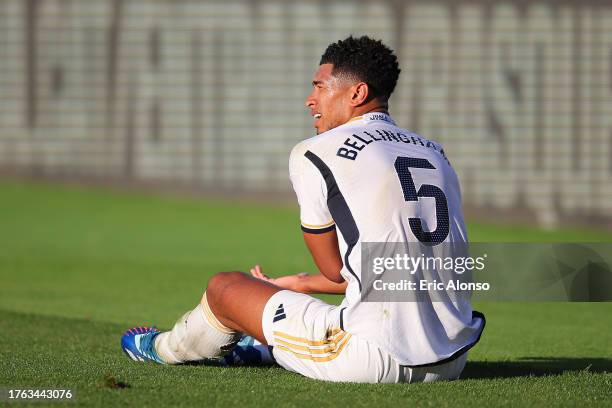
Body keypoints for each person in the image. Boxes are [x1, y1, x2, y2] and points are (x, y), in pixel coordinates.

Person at [121, 36, 485, 383]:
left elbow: (337, 271)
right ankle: (267, 347)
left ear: (357, 93)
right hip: (452, 361)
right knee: (331, 309)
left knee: (224, 288)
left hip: (370, 358)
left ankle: (161, 348)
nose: (310, 100)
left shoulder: (316, 149)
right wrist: (296, 284)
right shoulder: (433, 151)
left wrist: (301, 283)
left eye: (320, 86)